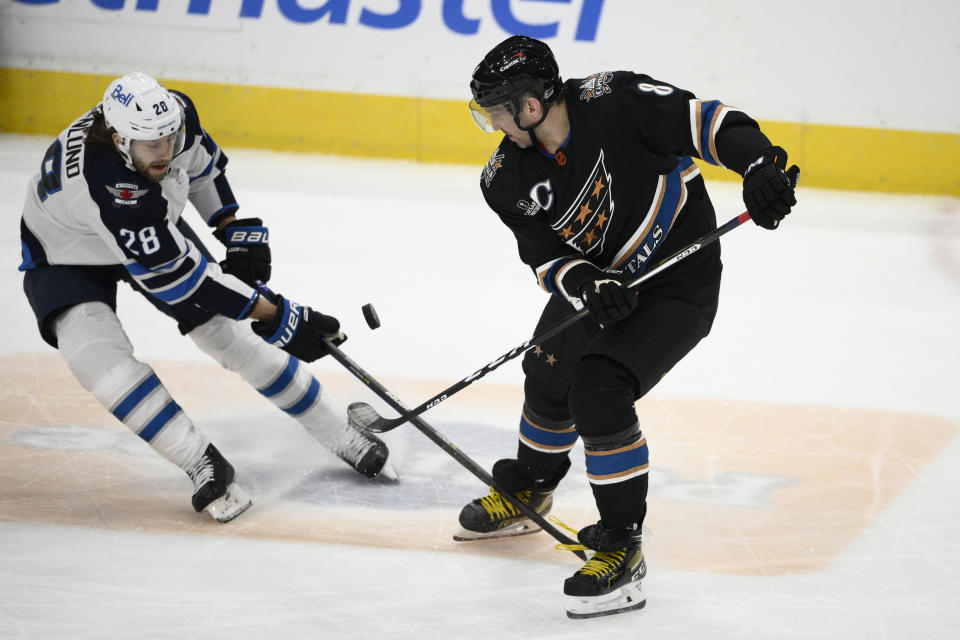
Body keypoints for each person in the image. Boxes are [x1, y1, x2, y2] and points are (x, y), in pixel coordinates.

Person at [457, 36, 798, 618]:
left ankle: (622, 545)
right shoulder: (503, 178)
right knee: (546, 372)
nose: (492, 124)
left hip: (677, 285)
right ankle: (531, 485)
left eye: (496, 110)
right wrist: (586, 282)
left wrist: (760, 163)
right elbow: (543, 256)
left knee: (600, 390)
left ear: (532, 104)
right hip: (605, 289)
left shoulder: (615, 100)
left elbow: (707, 123)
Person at [18, 72, 397, 524]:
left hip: (138, 227)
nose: (165, 150)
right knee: (98, 362)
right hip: (66, 252)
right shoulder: (110, 187)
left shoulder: (171, 118)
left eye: (169, 137)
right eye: (150, 144)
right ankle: (199, 460)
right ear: (120, 140)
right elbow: (182, 281)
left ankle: (339, 431)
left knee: (228, 335)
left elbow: (199, 167)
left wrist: (229, 224)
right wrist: (279, 315)